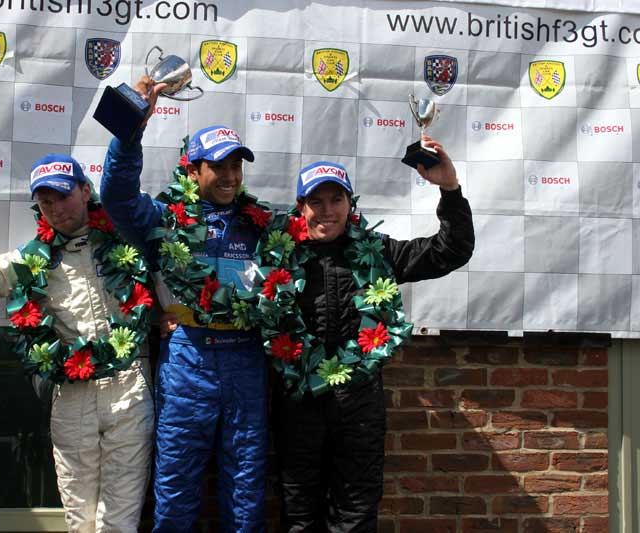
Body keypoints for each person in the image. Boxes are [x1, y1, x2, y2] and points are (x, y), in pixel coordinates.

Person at [0, 154, 154, 533]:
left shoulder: (129, 240)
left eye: (64, 196)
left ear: (86, 191)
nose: (57, 208)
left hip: (129, 388)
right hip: (72, 393)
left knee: (120, 518)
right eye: (46, 201)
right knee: (80, 519)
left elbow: (171, 276)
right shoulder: (32, 259)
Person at [272, 139, 475, 531]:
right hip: (298, 405)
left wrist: (450, 189)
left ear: (351, 205)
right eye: (316, 201)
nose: (327, 210)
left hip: (359, 408)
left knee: (356, 513)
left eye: (336, 200)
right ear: (300, 208)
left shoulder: (377, 251)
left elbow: (450, 251)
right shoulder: (277, 256)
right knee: (299, 515)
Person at [101, 76, 268, 531]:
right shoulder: (163, 219)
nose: (230, 176)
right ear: (192, 171)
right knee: (175, 487)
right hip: (188, 358)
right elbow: (116, 196)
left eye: (236, 165)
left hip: (245, 360)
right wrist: (130, 130)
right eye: (218, 166)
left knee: (246, 487)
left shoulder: (262, 224)